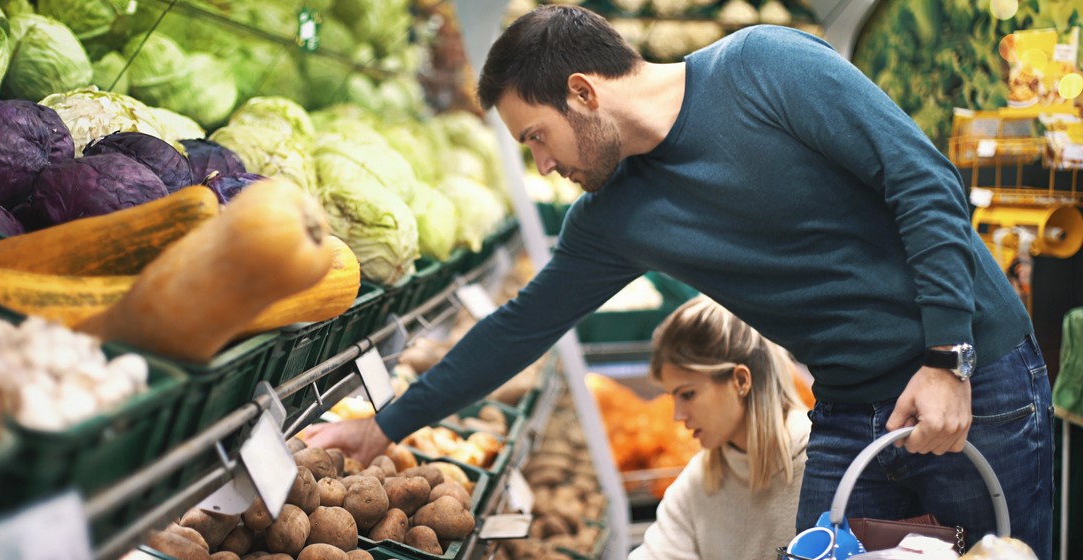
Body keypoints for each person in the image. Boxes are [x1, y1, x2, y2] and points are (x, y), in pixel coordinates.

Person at [303, 6, 1053, 557]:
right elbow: (520, 326)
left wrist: (946, 359)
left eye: (537, 136)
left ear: (583, 93)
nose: (543, 165)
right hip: (855, 402)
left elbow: (923, 182)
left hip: (973, 374)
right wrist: (383, 425)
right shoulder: (613, 216)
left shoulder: (766, 67)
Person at [629, 295, 810, 560]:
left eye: (688, 394)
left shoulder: (819, 464)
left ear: (740, 381)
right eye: (673, 397)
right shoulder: (700, 481)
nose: (678, 415)